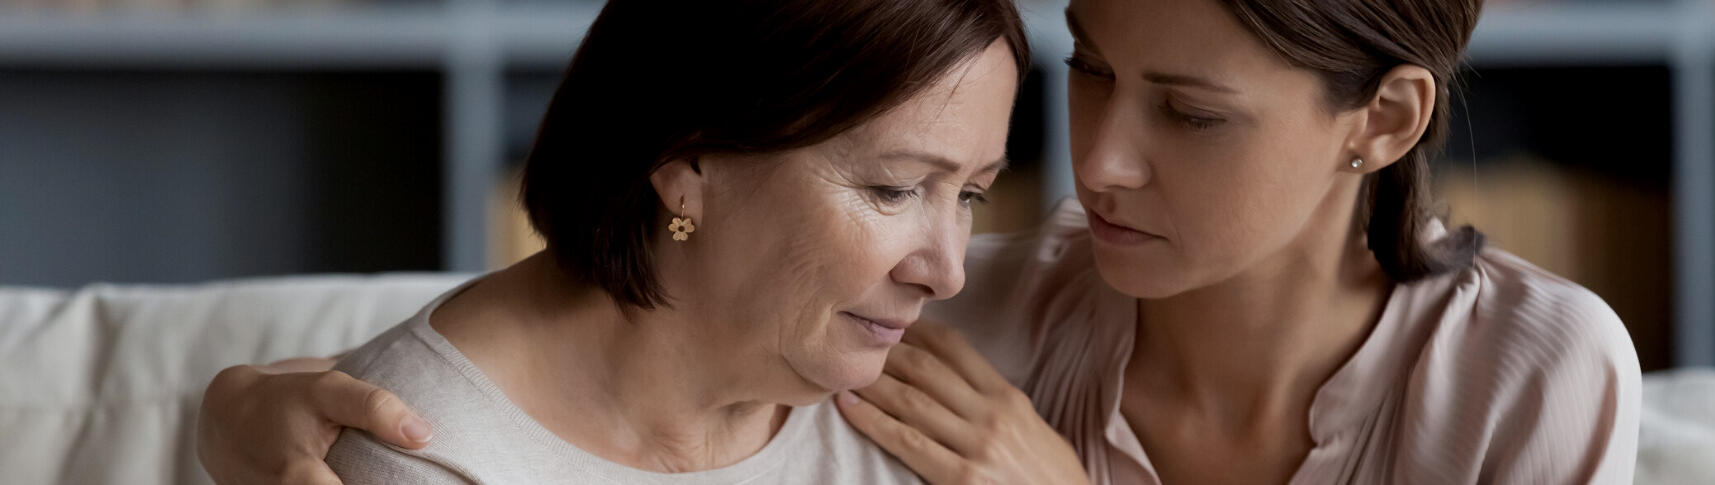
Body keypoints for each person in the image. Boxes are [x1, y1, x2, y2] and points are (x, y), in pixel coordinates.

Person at [199, 0, 1641, 483]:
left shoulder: (1524, 374)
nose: (1103, 159)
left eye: (1189, 113)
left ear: (1380, 121)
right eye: (1090, 69)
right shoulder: (966, 322)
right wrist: (234, 402)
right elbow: (606, 331)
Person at [190, 1, 1064, 483]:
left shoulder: (957, 412)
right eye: (894, 188)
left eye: (972, 193)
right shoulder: (424, 455)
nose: (946, 269)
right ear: (685, 166)